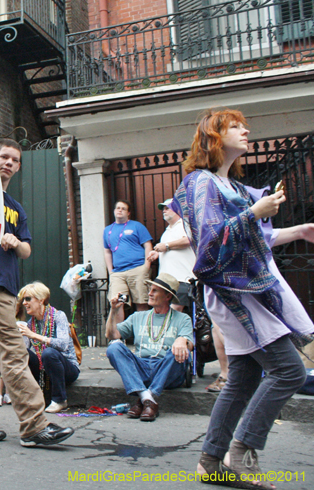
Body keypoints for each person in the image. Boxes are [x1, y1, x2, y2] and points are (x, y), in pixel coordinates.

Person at [175, 109, 314, 486]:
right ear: (213, 137)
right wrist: (254, 212)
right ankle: (241, 453)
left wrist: (299, 231)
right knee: (290, 371)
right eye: (235, 126)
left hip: (247, 292)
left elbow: (257, 239)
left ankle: (210, 461)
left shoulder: (232, 188)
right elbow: (209, 244)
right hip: (236, 294)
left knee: (244, 377)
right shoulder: (199, 183)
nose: (246, 129)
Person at [0, 136, 74, 448]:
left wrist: (15, 242)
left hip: (8, 292)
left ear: (19, 167)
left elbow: (27, 250)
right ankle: (34, 426)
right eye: (3, 156)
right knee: (14, 352)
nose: (8, 162)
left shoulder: (16, 209)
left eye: (14, 160)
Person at [147, 199, 230, 392]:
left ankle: (177, 355)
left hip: (184, 280)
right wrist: (158, 253)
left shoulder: (186, 224)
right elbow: (173, 250)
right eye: (162, 208)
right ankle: (162, 357)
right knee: (162, 317)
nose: (164, 211)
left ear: (177, 209)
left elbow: (190, 241)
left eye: (167, 207)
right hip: (167, 282)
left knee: (174, 316)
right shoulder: (167, 231)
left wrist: (165, 246)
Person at [105, 273, 194, 422]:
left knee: (180, 351)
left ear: (167, 297)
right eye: (150, 289)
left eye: (154, 291)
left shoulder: (182, 318)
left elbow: (190, 345)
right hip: (142, 367)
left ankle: (144, 399)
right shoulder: (138, 316)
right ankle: (148, 399)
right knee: (114, 347)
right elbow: (112, 334)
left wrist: (182, 339)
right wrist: (113, 311)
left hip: (166, 369)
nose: (149, 294)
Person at [16, 282, 80, 413]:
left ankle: (60, 400)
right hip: (44, 369)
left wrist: (35, 335)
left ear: (40, 300)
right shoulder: (30, 323)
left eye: (28, 299)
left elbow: (63, 345)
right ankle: (31, 397)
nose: (24, 303)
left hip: (67, 367)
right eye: (23, 300)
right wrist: (18, 335)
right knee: (23, 353)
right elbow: (25, 352)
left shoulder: (58, 316)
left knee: (49, 353)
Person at [104, 200, 153, 311]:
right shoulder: (107, 230)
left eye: (123, 208)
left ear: (128, 213)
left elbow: (148, 245)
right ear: (114, 211)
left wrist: (146, 266)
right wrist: (111, 272)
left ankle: (142, 328)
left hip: (137, 270)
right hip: (118, 274)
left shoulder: (137, 226)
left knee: (141, 301)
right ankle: (119, 329)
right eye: (118, 208)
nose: (120, 210)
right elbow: (107, 251)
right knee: (118, 303)